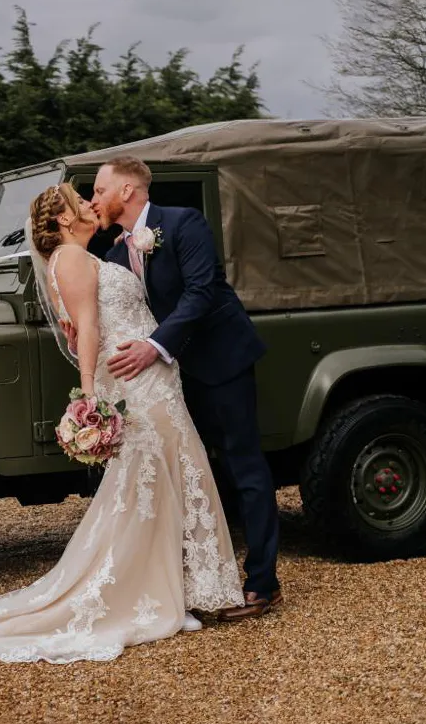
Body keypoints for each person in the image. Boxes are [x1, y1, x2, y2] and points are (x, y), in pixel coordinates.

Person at [0, 183, 244, 667]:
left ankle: (179, 585)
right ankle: (156, 590)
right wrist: (90, 392)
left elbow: (84, 324)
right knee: (152, 478)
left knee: (163, 477)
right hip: (134, 381)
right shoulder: (71, 260)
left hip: (151, 373)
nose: (92, 205)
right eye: (82, 202)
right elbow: (89, 326)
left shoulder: (85, 255)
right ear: (63, 222)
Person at [76, 156, 282, 621]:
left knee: (242, 465)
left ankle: (263, 583)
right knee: (198, 474)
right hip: (169, 380)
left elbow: (202, 291)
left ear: (127, 191)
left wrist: (154, 346)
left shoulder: (183, 223)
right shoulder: (112, 254)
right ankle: (207, 579)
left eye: (100, 191)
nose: (94, 200)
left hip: (220, 362)